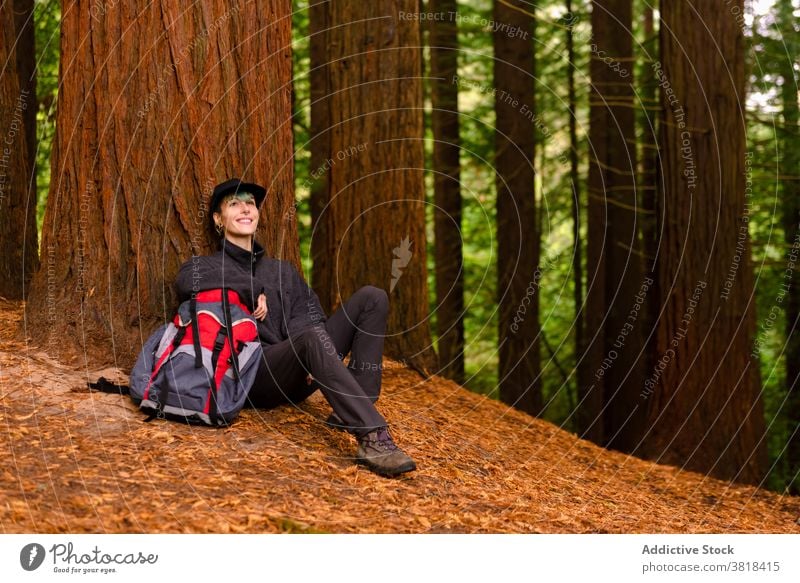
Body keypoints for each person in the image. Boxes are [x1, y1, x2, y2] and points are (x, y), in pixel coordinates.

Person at [175, 178, 416, 477]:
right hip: (252, 373)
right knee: (311, 338)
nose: (245, 208)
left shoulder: (282, 271)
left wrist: (310, 352)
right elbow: (186, 283)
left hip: (297, 366)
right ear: (218, 219)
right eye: (234, 204)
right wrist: (250, 288)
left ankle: (356, 406)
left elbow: (309, 317)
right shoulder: (206, 266)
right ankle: (373, 438)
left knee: (372, 298)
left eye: (250, 203)